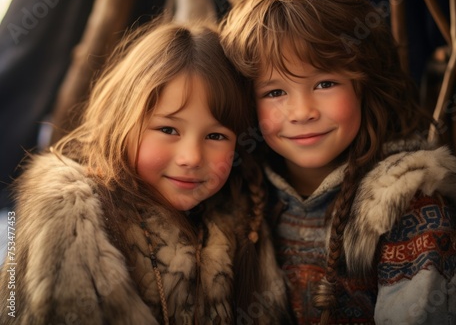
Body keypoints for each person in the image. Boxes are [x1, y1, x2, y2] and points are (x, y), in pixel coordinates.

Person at [220, 0, 456, 324]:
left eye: (325, 83)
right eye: (275, 92)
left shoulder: (412, 211)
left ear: (365, 86)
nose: (302, 112)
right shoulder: (236, 199)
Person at [0, 19, 289, 324]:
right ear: (122, 121)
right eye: (168, 129)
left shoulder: (245, 221)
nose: (191, 157)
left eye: (216, 136)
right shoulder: (73, 221)